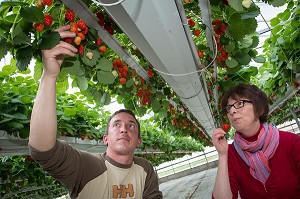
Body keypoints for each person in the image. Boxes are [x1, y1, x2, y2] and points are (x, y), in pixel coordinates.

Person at [28, 25, 163, 199]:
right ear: (105, 139)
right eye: (116, 125)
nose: (124, 129)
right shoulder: (87, 167)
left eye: (131, 126)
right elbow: (42, 149)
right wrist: (49, 76)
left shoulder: (145, 169)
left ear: (139, 141)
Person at [212, 83, 300, 199]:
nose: (232, 111)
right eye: (229, 108)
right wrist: (222, 155)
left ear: (259, 108)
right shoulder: (231, 154)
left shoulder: (291, 142)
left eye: (239, 103)